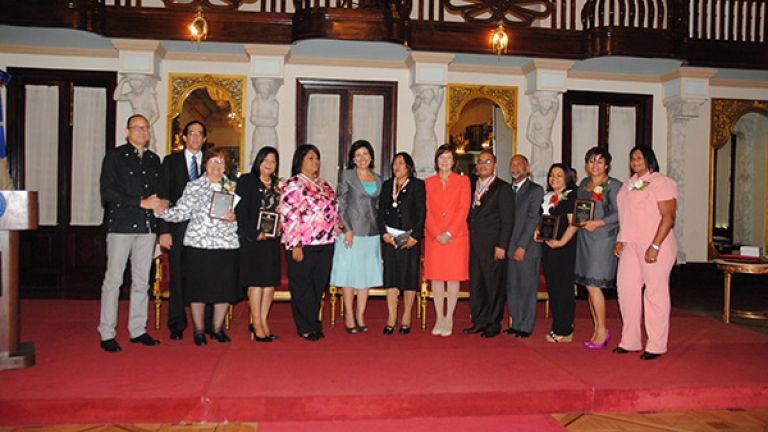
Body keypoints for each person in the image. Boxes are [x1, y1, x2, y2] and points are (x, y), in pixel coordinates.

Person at [157, 148, 240, 347]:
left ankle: (218, 329)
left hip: (225, 244)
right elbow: (182, 212)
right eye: (212, 161)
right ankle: (199, 330)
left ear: (226, 167)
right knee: (198, 290)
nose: (216, 166)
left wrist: (234, 218)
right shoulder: (194, 186)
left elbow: (239, 219)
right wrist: (161, 212)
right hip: (198, 244)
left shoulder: (231, 187)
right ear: (205, 165)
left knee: (223, 290)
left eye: (220, 162)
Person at [97, 114, 165, 353]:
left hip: (147, 229)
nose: (142, 132)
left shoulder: (154, 160)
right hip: (121, 227)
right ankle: (107, 331)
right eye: (137, 128)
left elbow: (158, 194)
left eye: (145, 128)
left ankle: (138, 329)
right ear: (127, 131)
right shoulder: (115, 157)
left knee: (141, 281)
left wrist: (161, 204)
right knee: (114, 280)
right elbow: (107, 192)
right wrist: (140, 202)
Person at [613, 146, 677, 361]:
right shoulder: (629, 184)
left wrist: (655, 245)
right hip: (631, 244)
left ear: (650, 159)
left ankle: (656, 344)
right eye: (632, 158)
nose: (635, 161)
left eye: (639, 157)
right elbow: (627, 215)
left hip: (655, 244)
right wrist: (621, 239)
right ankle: (630, 341)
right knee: (626, 289)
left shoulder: (661, 181)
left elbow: (668, 217)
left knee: (654, 293)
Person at [279, 144, 340, 341]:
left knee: (318, 285)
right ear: (300, 161)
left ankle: (314, 322)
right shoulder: (293, 185)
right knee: (302, 286)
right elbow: (288, 217)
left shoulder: (324, 184)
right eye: (310, 158)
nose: (315, 162)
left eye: (317, 158)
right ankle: (305, 326)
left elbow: (333, 210)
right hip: (302, 244)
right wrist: (294, 244)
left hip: (325, 242)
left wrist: (338, 226)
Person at [157, 120, 209, 341]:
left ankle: (205, 324)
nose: (196, 137)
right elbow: (163, 198)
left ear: (204, 139)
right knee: (178, 276)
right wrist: (164, 230)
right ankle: (177, 323)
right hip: (178, 229)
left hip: (207, 232)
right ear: (184, 138)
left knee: (205, 277)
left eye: (200, 134)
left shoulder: (212, 162)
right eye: (192, 133)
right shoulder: (171, 162)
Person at [331, 140, 383, 334]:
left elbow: (378, 207)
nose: (362, 158)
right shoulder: (347, 176)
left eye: (366, 154)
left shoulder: (378, 179)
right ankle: (349, 315)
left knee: (365, 277)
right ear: (353, 158)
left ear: (371, 157)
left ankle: (361, 314)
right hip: (351, 233)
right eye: (358, 155)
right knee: (348, 276)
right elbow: (341, 204)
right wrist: (347, 229)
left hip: (372, 233)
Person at [463, 150, 514, 338]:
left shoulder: (503, 188)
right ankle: (479, 321)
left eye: (488, 161)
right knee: (476, 286)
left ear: (495, 166)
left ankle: (493, 324)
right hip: (474, 246)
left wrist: (502, 246)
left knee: (494, 286)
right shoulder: (470, 186)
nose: (483, 165)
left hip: (494, 246)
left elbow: (508, 220)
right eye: (480, 162)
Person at [573, 147, 621, 349]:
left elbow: (619, 214)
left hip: (602, 241)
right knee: (589, 287)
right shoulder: (584, 183)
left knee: (595, 286)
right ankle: (597, 329)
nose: (595, 165)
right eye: (592, 161)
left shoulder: (614, 185)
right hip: (585, 239)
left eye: (600, 162)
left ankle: (603, 330)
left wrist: (598, 223)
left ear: (607, 165)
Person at [235, 146, 281, 342]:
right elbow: (240, 212)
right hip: (253, 241)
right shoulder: (247, 181)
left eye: (273, 161)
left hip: (271, 241)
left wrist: (281, 227)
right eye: (265, 161)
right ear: (258, 162)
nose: (269, 165)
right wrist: (254, 234)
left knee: (269, 283)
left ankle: (263, 321)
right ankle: (255, 324)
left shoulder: (278, 185)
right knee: (256, 283)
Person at [424, 144, 470, 337]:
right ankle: (439, 316)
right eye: (441, 157)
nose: (445, 161)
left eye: (448, 158)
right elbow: (425, 210)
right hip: (434, 237)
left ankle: (449, 317)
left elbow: (463, 208)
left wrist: (449, 233)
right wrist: (436, 232)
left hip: (456, 237)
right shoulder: (427, 183)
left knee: (452, 278)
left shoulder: (463, 181)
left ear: (454, 161)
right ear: (437, 161)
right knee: (436, 277)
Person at [378, 152, 426, 336]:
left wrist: (415, 237)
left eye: (401, 163)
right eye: (395, 163)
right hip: (390, 240)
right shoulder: (387, 185)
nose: (397, 167)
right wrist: (383, 233)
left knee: (408, 278)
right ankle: (391, 318)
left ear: (409, 167)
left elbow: (422, 213)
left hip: (410, 240)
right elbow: (380, 212)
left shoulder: (417, 186)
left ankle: (406, 317)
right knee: (391, 279)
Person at [536, 163, 578, 343]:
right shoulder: (548, 197)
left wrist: (561, 242)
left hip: (564, 248)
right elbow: (544, 221)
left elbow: (574, 224)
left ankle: (565, 329)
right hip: (549, 248)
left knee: (563, 288)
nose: (554, 178)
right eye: (552, 175)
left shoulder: (571, 197)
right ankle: (559, 323)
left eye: (559, 175)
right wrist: (538, 232)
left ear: (567, 178)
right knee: (553, 287)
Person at [504, 154, 545, 338]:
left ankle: (526, 326)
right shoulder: (507, 191)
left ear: (527, 168)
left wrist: (521, 246)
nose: (515, 168)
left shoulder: (535, 190)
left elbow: (532, 220)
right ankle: (516, 322)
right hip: (509, 247)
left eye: (519, 164)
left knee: (527, 288)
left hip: (527, 248)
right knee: (512, 287)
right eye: (512, 164)